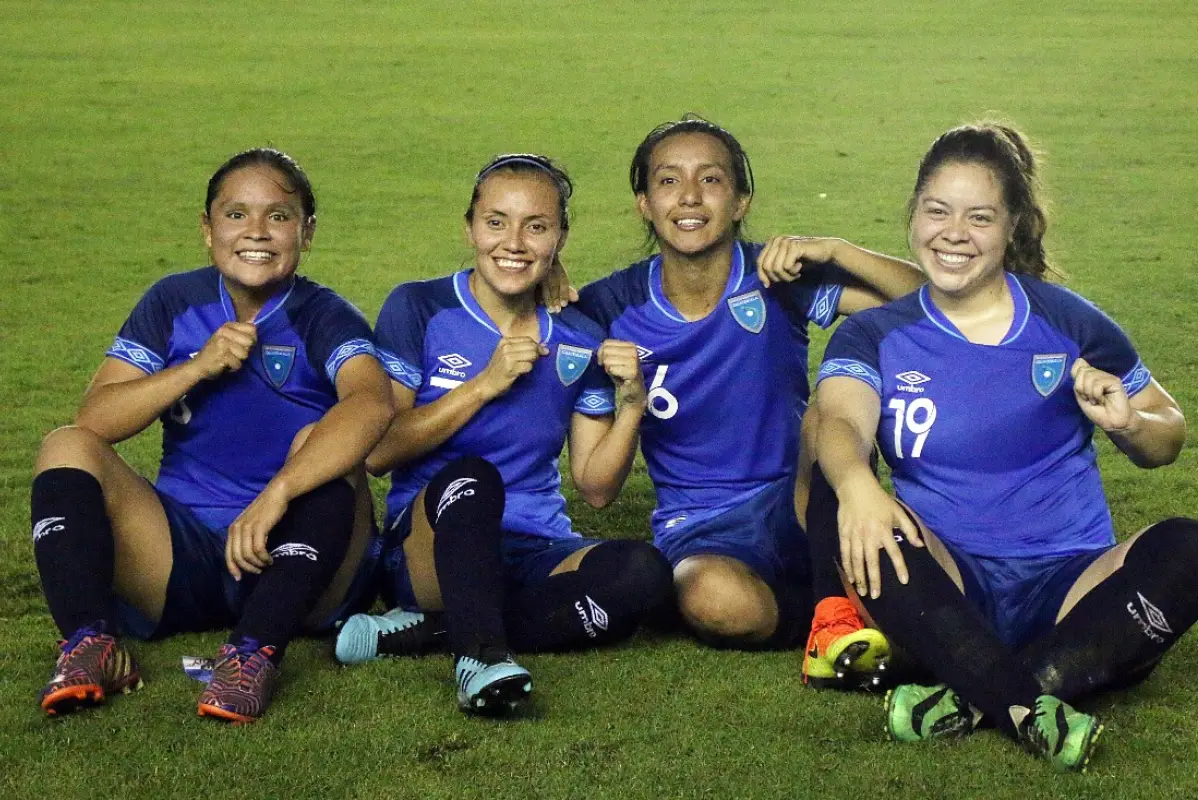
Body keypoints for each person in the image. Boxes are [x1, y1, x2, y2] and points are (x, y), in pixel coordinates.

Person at [810, 121, 1196, 770]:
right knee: (873, 524)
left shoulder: (1067, 322)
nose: (953, 233)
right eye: (937, 211)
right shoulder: (875, 333)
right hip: (949, 581)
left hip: (1072, 582)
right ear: (913, 216)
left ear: (1014, 225)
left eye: (979, 216)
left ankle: (974, 690)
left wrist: (1130, 423)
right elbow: (841, 425)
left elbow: (1169, 434)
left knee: (1188, 548)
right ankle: (1034, 694)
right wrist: (856, 485)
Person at [31, 148, 394, 723]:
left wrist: (277, 493)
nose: (256, 232)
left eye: (278, 216)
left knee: (325, 450)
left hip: (295, 560)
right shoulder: (175, 302)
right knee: (65, 444)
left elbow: (373, 406)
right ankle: (90, 645)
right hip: (182, 555)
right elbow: (95, 419)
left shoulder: (325, 315)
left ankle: (253, 653)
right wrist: (195, 367)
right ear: (207, 230)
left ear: (308, 231)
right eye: (235, 215)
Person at [575, 117, 924, 684]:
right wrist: (550, 281)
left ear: (740, 201)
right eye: (668, 181)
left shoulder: (777, 276)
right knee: (710, 598)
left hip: (802, 498)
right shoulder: (607, 308)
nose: (689, 197)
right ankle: (824, 614)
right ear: (644, 203)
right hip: (700, 524)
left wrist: (834, 249)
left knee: (826, 416)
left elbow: (931, 300)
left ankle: (837, 614)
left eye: (710, 180)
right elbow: (594, 488)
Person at [333, 154, 674, 715]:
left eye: (535, 226)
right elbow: (378, 450)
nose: (513, 242)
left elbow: (596, 488)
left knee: (644, 574)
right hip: (431, 545)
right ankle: (480, 656)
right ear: (469, 226)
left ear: (559, 237)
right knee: (474, 477)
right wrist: (483, 385)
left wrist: (632, 401)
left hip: (535, 545)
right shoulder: (419, 306)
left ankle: (434, 632)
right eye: (496, 222)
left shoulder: (577, 334)